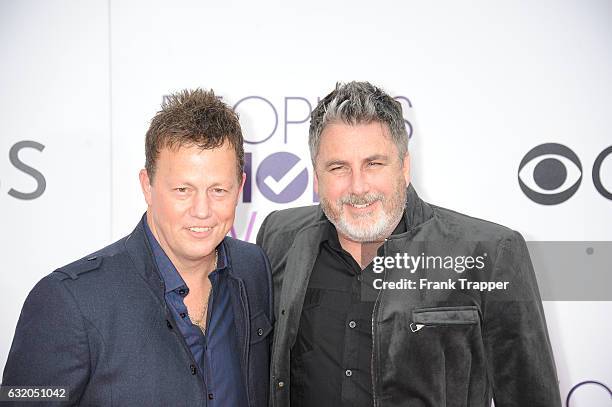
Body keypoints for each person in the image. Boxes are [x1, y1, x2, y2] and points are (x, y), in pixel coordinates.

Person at [256, 81, 561, 407]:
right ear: (317, 178)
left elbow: (531, 396)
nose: (358, 187)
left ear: (404, 167)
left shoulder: (490, 252)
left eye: (374, 164)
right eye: (338, 167)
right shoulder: (280, 236)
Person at [3, 89, 273, 406]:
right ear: (147, 185)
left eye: (218, 190)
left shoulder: (253, 268)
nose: (202, 210)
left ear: (240, 187)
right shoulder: (68, 301)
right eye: (183, 190)